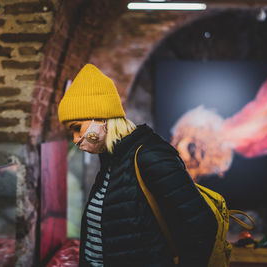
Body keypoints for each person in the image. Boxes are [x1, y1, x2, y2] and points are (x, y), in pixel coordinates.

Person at [57, 64, 218, 267]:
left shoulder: (150, 156)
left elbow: (202, 225)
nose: (75, 138)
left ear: (101, 117)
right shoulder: (111, 159)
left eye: (77, 128)